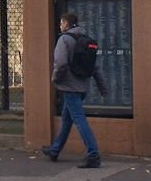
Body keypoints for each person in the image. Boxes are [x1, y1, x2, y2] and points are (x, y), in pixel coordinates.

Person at [42, 11, 108, 168]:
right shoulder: (85, 39)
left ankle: (93, 155)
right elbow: (95, 67)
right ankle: (55, 150)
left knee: (79, 120)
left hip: (69, 88)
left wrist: (55, 78)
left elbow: (61, 63)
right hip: (83, 87)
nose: (60, 26)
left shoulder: (64, 39)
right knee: (67, 119)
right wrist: (102, 88)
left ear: (65, 24)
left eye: (61, 23)